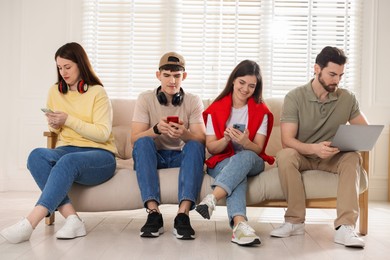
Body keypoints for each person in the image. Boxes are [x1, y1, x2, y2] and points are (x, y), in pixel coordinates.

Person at [0, 42, 117, 244]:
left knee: (68, 161)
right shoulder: (55, 91)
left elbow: (102, 133)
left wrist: (68, 119)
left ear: (81, 64)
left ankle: (30, 222)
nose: (63, 72)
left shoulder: (98, 92)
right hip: (67, 150)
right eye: (59, 67)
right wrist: (54, 124)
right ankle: (73, 218)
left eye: (67, 67)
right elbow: (57, 130)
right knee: (36, 155)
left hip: (100, 155)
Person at [270, 46, 368, 248]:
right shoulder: (295, 97)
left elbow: (365, 131)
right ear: (317, 69)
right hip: (304, 155)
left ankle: (345, 228)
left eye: (340, 75)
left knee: (352, 157)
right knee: (285, 155)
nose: (336, 80)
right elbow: (287, 140)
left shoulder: (347, 98)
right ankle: (294, 221)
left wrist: (346, 144)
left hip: (333, 157)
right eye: (332, 74)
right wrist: (314, 149)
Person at [195, 60, 275, 246]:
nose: (245, 89)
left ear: (256, 88)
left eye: (251, 86)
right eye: (241, 82)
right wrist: (226, 139)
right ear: (233, 81)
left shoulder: (261, 111)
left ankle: (212, 198)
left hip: (252, 160)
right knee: (237, 174)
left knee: (244, 156)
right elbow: (211, 149)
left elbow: (258, 149)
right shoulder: (216, 110)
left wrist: (245, 142)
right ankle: (240, 226)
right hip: (222, 161)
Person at [131, 52, 206, 240]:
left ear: (184, 76)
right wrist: (155, 130)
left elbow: (202, 140)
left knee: (195, 146)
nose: (172, 80)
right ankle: (153, 214)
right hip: (155, 157)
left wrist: (185, 133)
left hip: (181, 157)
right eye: (167, 75)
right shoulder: (145, 99)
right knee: (143, 141)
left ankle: (183, 215)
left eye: (177, 75)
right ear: (158, 75)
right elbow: (134, 139)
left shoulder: (193, 100)